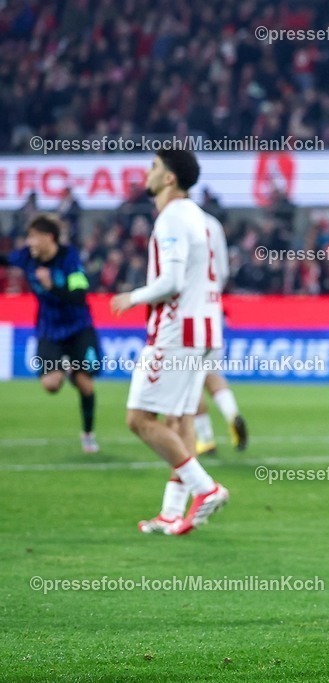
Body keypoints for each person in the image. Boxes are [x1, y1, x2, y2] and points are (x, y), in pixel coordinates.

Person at [111, 149, 230, 535]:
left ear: (169, 179)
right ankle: (171, 512)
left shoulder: (172, 218)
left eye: (154, 166)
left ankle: (206, 488)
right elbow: (220, 273)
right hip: (206, 327)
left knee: (139, 419)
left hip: (178, 331)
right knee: (178, 420)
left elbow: (172, 282)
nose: (147, 172)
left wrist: (133, 296)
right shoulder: (203, 218)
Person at [0, 214, 100, 453]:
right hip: (49, 330)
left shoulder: (70, 259)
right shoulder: (27, 257)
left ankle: (87, 434)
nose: (29, 242)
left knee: (85, 384)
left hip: (78, 328)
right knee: (50, 385)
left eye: (33, 237)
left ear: (49, 238)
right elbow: (4, 259)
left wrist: (52, 287)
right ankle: (66, 369)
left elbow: (79, 296)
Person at [194, 209, 249, 456]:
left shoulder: (171, 222)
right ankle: (232, 414)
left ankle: (205, 439)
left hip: (187, 309)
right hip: (213, 306)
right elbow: (224, 271)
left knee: (188, 376)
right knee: (211, 372)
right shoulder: (213, 224)